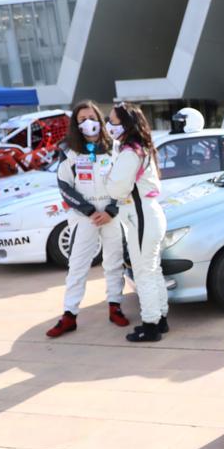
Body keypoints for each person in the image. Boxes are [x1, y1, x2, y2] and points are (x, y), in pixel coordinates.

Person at [45, 101, 130, 338]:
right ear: (75, 123)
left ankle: (115, 306)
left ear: (99, 119)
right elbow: (63, 185)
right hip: (85, 217)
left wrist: (111, 209)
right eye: (82, 119)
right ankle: (69, 315)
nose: (88, 123)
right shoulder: (68, 150)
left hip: (112, 214)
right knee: (78, 266)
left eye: (91, 117)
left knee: (113, 262)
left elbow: (125, 182)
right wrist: (89, 210)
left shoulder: (115, 147)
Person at [103, 102, 169, 342]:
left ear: (126, 123)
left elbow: (118, 188)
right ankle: (160, 319)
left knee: (144, 273)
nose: (109, 125)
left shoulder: (131, 152)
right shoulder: (141, 148)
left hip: (140, 217)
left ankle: (151, 325)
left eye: (113, 121)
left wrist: (107, 178)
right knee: (153, 270)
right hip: (148, 214)